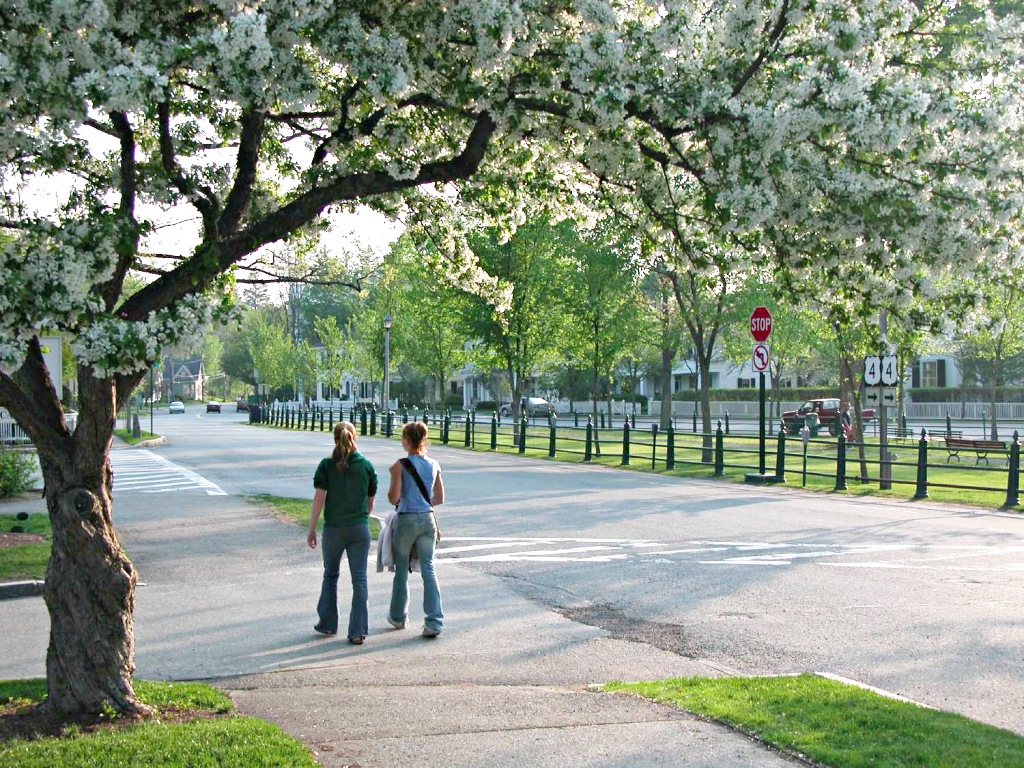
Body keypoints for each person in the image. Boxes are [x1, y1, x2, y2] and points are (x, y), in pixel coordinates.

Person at [308, 421, 377, 644]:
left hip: (334, 528)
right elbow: (370, 501)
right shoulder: (366, 465)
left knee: (330, 574)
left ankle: (328, 623)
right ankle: (357, 631)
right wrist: (361, 518)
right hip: (359, 528)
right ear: (354, 438)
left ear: (334, 439)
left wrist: (311, 528)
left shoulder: (327, 465)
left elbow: (319, 499)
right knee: (360, 579)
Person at [387, 421, 445, 637]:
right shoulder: (434, 464)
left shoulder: (400, 466)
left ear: (407, 440)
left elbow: (394, 497)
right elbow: (439, 498)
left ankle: (398, 616)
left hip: (406, 520)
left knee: (401, 570)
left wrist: (395, 478)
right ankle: (434, 622)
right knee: (429, 569)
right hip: (428, 520)